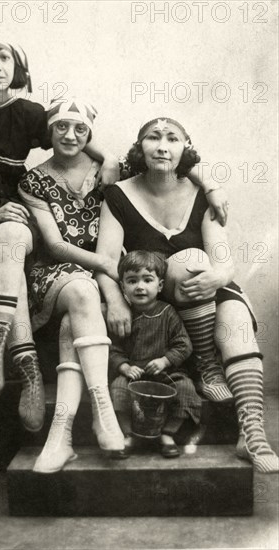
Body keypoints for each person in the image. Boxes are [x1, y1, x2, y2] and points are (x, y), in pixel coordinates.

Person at [0, 30, 117, 433]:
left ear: (18, 67)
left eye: (4, 58)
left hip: (9, 205)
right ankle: (27, 368)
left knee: (14, 238)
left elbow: (73, 132)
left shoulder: (30, 112)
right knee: (10, 261)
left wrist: (107, 160)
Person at [96, 117, 279, 473]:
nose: (162, 145)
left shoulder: (202, 195)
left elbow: (224, 265)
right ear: (140, 148)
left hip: (209, 291)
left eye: (172, 138)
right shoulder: (117, 197)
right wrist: (116, 300)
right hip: (158, 307)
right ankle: (206, 365)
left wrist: (217, 279)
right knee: (189, 260)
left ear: (185, 149)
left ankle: (252, 435)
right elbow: (105, 261)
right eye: (153, 137)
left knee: (237, 319)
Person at [18, 96, 126, 472]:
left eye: (80, 128)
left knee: (72, 324)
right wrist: (106, 264)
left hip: (97, 277)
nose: (70, 134)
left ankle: (60, 436)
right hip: (56, 273)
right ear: (50, 130)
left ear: (90, 134)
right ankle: (103, 410)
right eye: (61, 126)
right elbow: (55, 245)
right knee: (81, 291)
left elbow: (172, 165)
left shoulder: (109, 170)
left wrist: (212, 187)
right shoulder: (34, 179)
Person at [109, 250, 201, 458]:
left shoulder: (168, 312)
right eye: (132, 281)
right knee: (117, 388)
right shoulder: (124, 315)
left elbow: (183, 345)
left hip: (166, 374)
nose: (140, 286)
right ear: (123, 287)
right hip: (135, 374)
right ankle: (126, 435)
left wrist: (164, 360)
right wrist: (124, 367)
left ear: (159, 285)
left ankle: (168, 434)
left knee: (186, 388)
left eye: (147, 280)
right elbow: (114, 349)